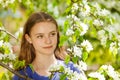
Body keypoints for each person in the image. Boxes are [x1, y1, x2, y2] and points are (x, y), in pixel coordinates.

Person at [13, 11, 85, 80]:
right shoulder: (22, 75)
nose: (48, 41)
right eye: (40, 36)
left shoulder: (72, 70)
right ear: (29, 38)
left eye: (52, 34)